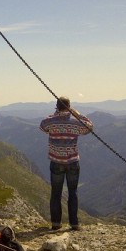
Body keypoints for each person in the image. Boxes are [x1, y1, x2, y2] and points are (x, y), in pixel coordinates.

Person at [39, 96, 93, 231]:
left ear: (57, 106)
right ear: (69, 106)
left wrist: (56, 114)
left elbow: (42, 126)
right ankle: (74, 224)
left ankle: (56, 224)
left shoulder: (51, 121)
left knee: (56, 193)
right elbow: (89, 126)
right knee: (72, 192)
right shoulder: (75, 122)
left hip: (56, 161)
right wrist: (76, 113)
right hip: (72, 161)